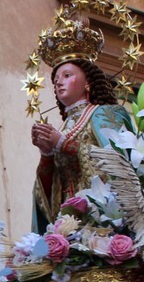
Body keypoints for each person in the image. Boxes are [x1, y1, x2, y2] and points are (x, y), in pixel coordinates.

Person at [30, 55, 130, 225]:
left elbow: (118, 164)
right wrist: (46, 154)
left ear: (87, 82)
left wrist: (64, 144)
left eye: (67, 75)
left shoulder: (106, 114)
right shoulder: (63, 129)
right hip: (67, 222)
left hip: (101, 217)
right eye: (56, 80)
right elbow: (50, 190)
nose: (59, 83)